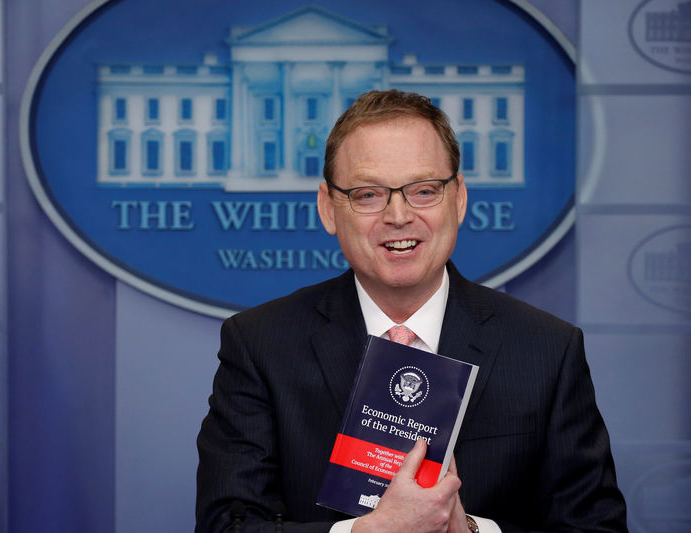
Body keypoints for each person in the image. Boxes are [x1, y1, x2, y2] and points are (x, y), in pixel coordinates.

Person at [196, 90, 627, 533]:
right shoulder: (260, 343)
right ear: (328, 208)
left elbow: (597, 528)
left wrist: (472, 532)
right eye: (368, 195)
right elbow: (227, 525)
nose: (398, 216)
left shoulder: (546, 350)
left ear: (458, 198)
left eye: (424, 190)